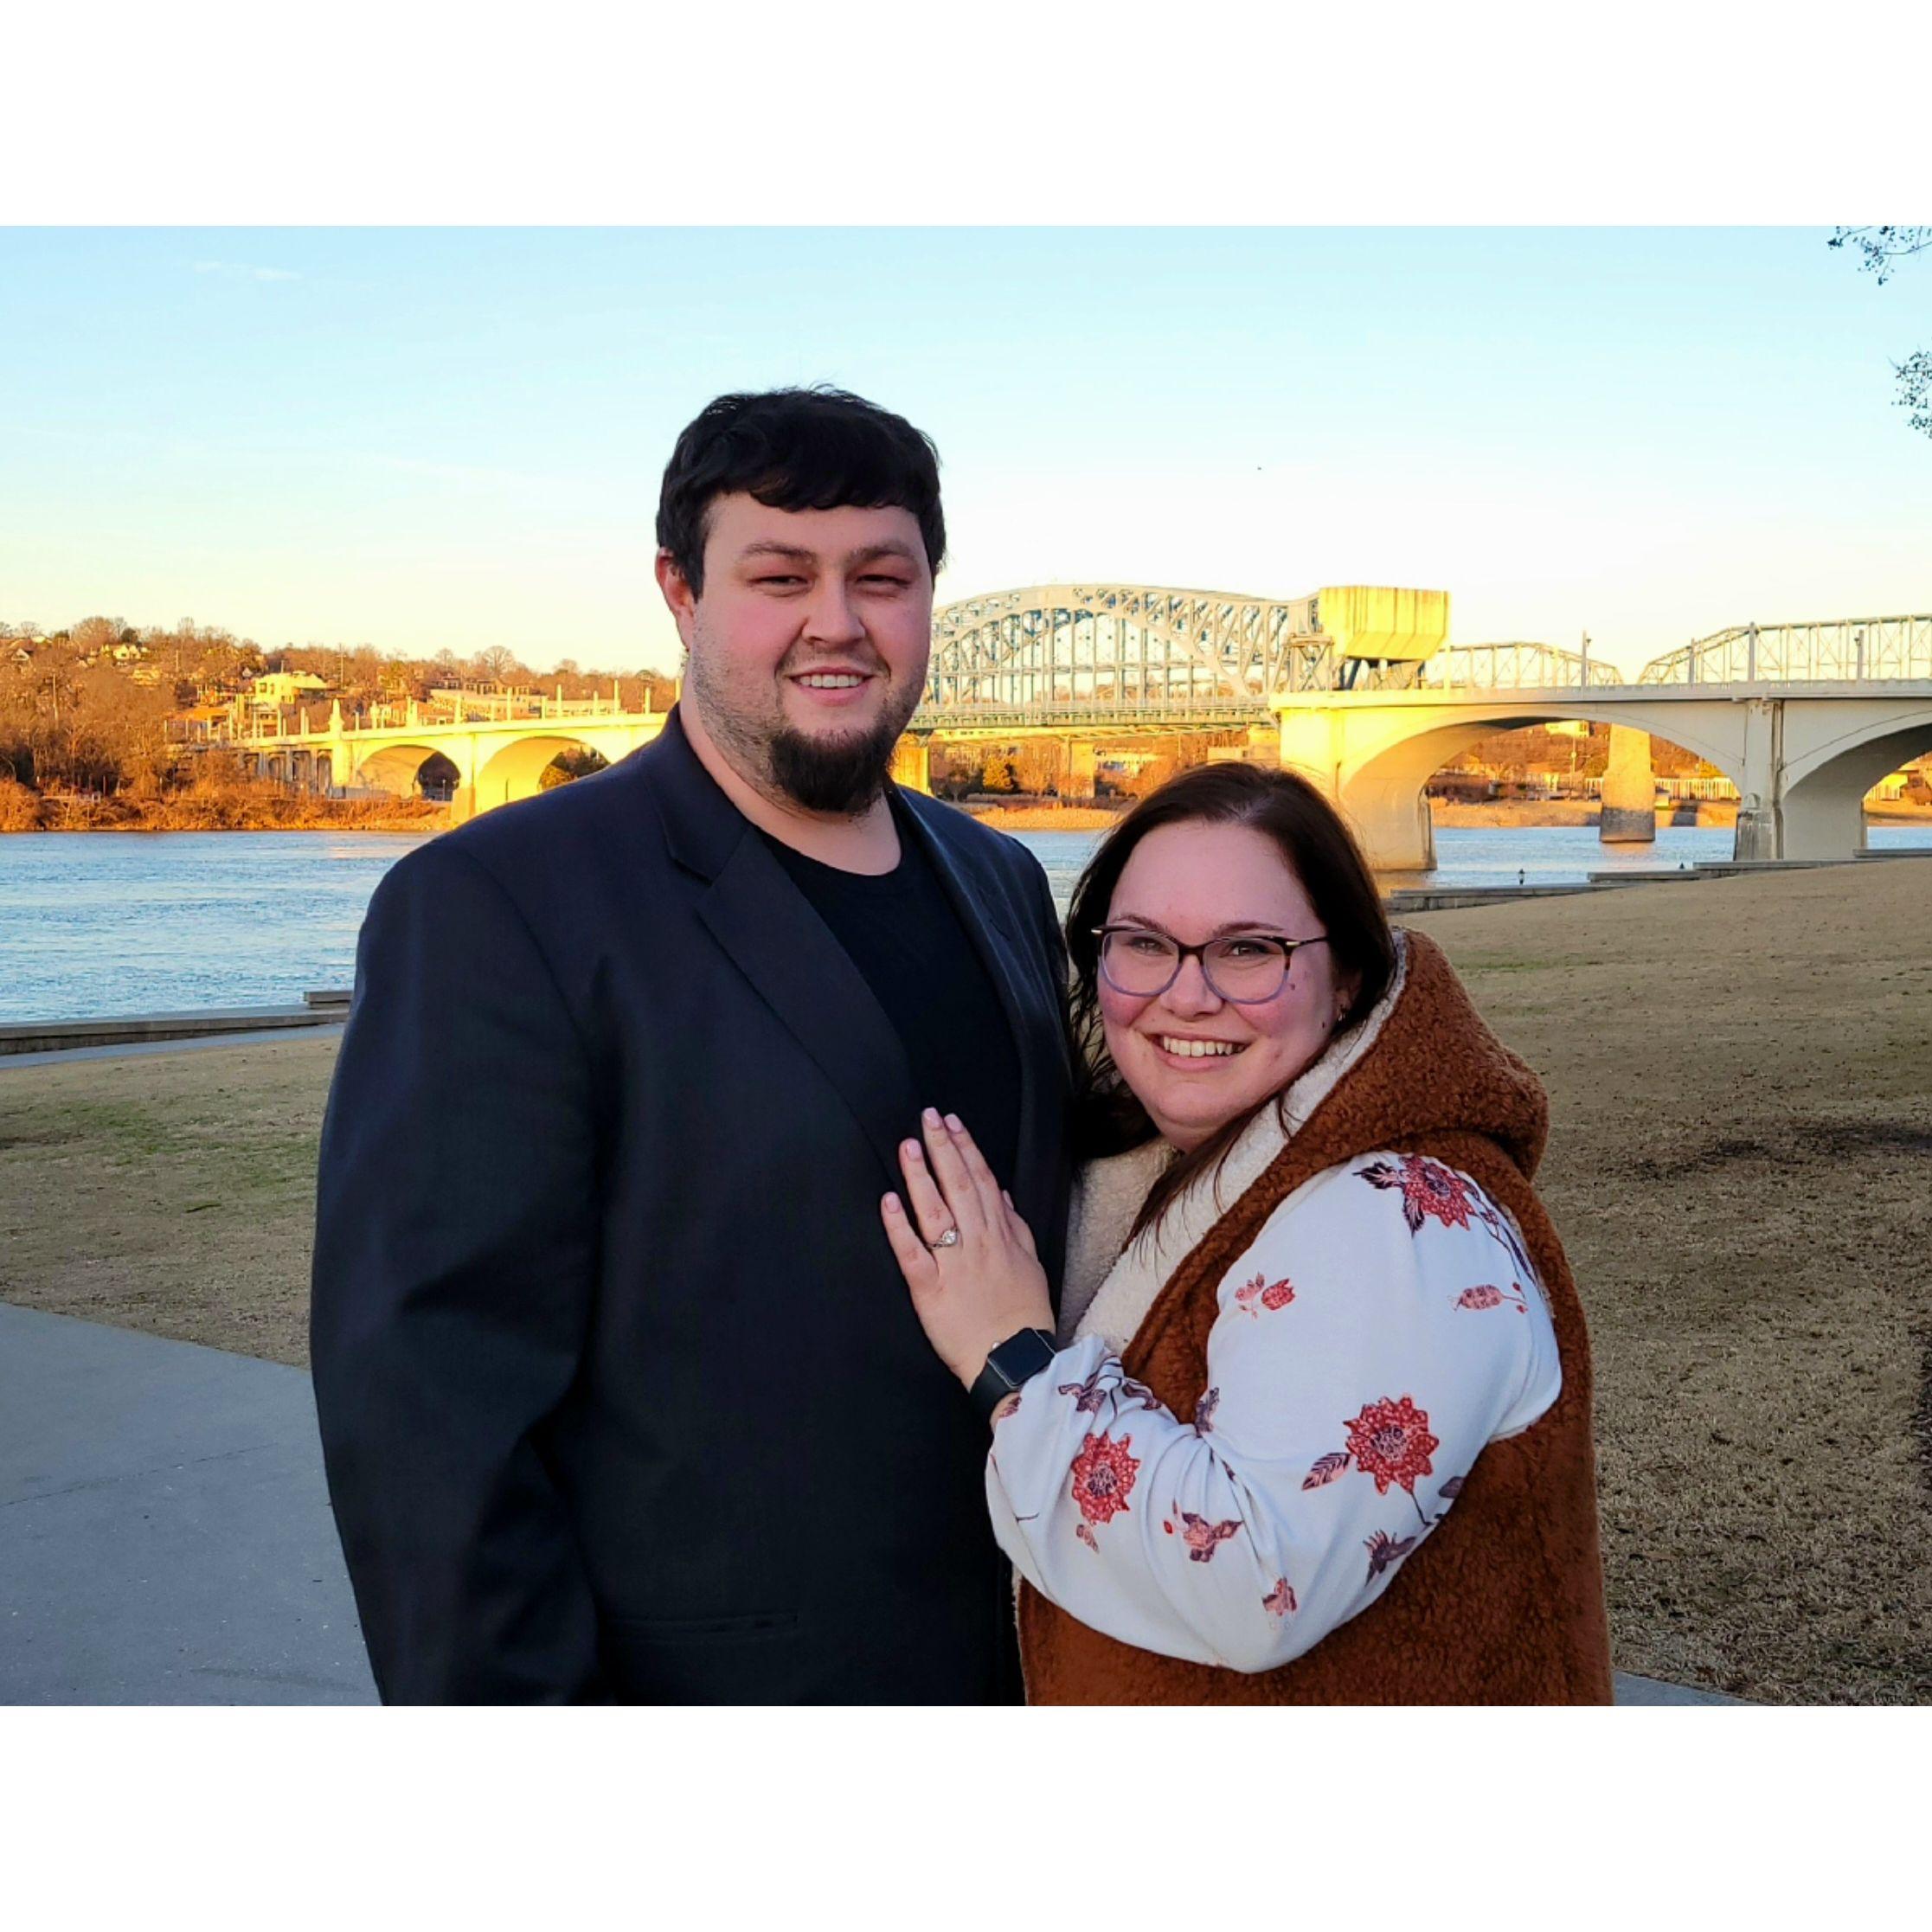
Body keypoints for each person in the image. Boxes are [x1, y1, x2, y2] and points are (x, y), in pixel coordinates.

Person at [310, 387, 1074, 1704]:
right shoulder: (499, 905)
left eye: (881, 577)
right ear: (679, 588)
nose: (836, 621)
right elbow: (431, 1422)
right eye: (779, 575)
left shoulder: (1002, 879)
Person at [881, 761, 1614, 1702]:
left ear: (1345, 975)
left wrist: (1011, 1357)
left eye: (1247, 950)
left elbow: (1254, 1583)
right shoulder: (1175, 1164)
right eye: (1144, 943)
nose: (1186, 995)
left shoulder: (1402, 1219)